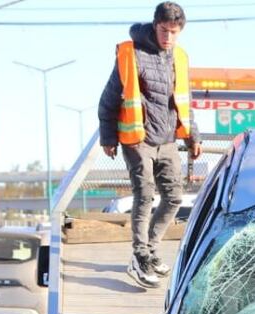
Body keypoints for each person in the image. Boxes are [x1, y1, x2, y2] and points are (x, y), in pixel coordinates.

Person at [99, 2, 202, 289]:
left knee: (173, 197)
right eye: (164, 30)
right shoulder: (131, 54)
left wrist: (193, 138)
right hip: (137, 139)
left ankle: (151, 249)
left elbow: (183, 102)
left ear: (180, 32)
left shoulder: (179, 57)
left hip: (167, 140)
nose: (168, 36)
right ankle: (139, 256)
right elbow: (108, 99)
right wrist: (108, 138)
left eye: (174, 32)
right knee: (144, 195)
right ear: (155, 26)